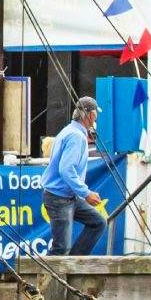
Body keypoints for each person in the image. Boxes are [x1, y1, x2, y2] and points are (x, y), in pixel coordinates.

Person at [42, 96, 106, 258]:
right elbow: (66, 169)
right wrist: (86, 193)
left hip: (67, 196)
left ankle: (74, 263)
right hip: (60, 198)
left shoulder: (67, 131)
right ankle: (45, 281)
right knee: (61, 248)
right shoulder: (77, 136)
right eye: (95, 114)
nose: (96, 118)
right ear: (90, 115)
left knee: (98, 222)